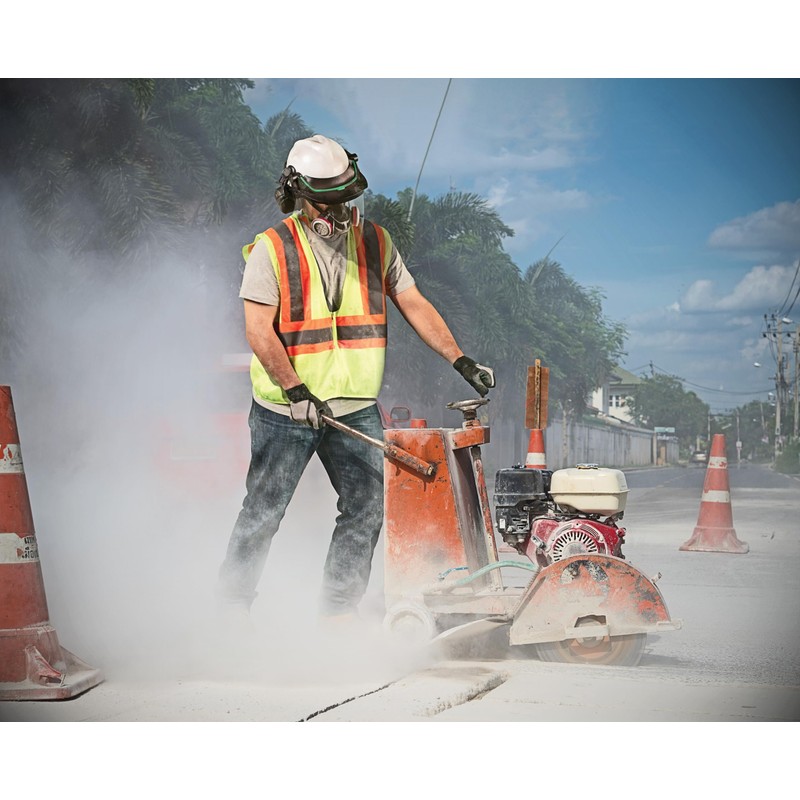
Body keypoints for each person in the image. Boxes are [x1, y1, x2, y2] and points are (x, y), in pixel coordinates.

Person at [218, 134, 495, 623]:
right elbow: (258, 331)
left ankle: (338, 613)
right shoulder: (271, 249)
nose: (339, 211)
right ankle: (231, 607)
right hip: (286, 410)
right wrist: (295, 389)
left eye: (345, 198)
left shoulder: (376, 243)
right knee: (264, 509)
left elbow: (414, 303)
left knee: (367, 506)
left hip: (354, 407)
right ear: (299, 194)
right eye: (327, 201)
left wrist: (460, 360)